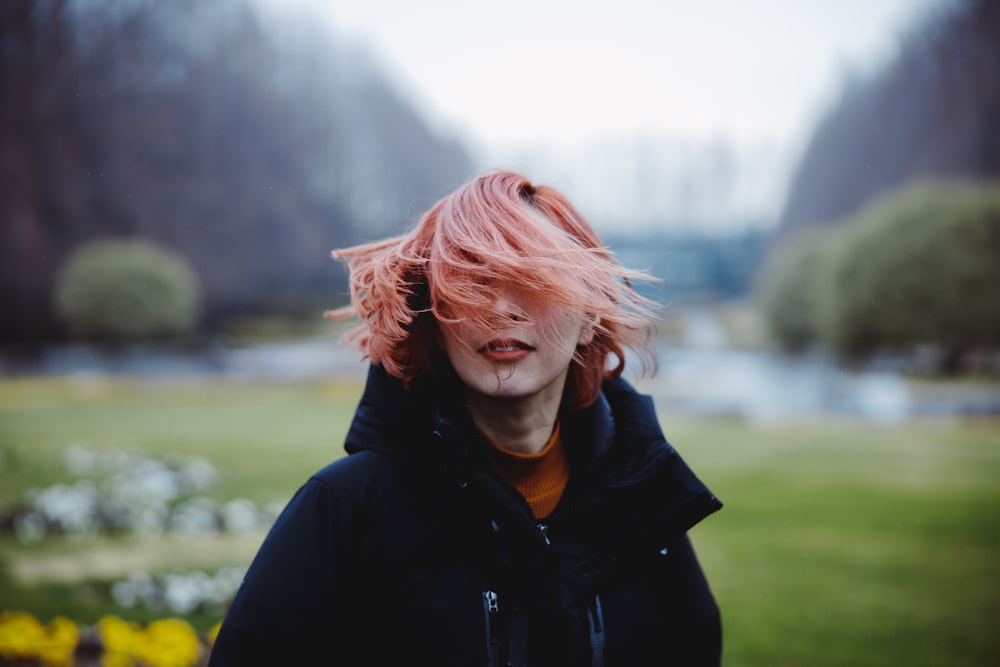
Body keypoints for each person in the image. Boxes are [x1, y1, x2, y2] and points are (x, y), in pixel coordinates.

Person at [208, 170, 723, 666]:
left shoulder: (643, 505)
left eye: (533, 278)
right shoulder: (346, 511)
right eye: (472, 281)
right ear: (433, 319)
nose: (500, 306)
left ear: (589, 317)